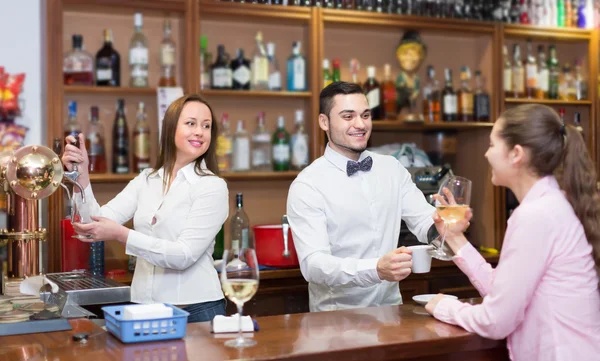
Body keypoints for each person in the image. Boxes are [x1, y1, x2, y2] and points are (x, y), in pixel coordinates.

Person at [425, 104, 600, 360]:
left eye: (492, 144)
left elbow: (496, 321)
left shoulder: (537, 215)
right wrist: (454, 237)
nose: (486, 154)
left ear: (516, 154)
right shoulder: (545, 205)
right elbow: (505, 293)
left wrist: (446, 307)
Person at [61, 94, 229, 323]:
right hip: (145, 311)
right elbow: (92, 223)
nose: (199, 131)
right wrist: (81, 177)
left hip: (197, 313)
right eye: (191, 123)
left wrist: (122, 234)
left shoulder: (212, 186)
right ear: (170, 129)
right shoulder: (146, 180)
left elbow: (184, 255)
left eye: (206, 126)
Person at [287, 81, 441, 312]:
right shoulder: (308, 184)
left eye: (365, 115)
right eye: (348, 116)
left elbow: (423, 220)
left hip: (391, 313)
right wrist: (376, 269)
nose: (360, 124)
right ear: (324, 122)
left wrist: (446, 223)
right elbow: (314, 265)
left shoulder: (392, 168)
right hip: (335, 322)